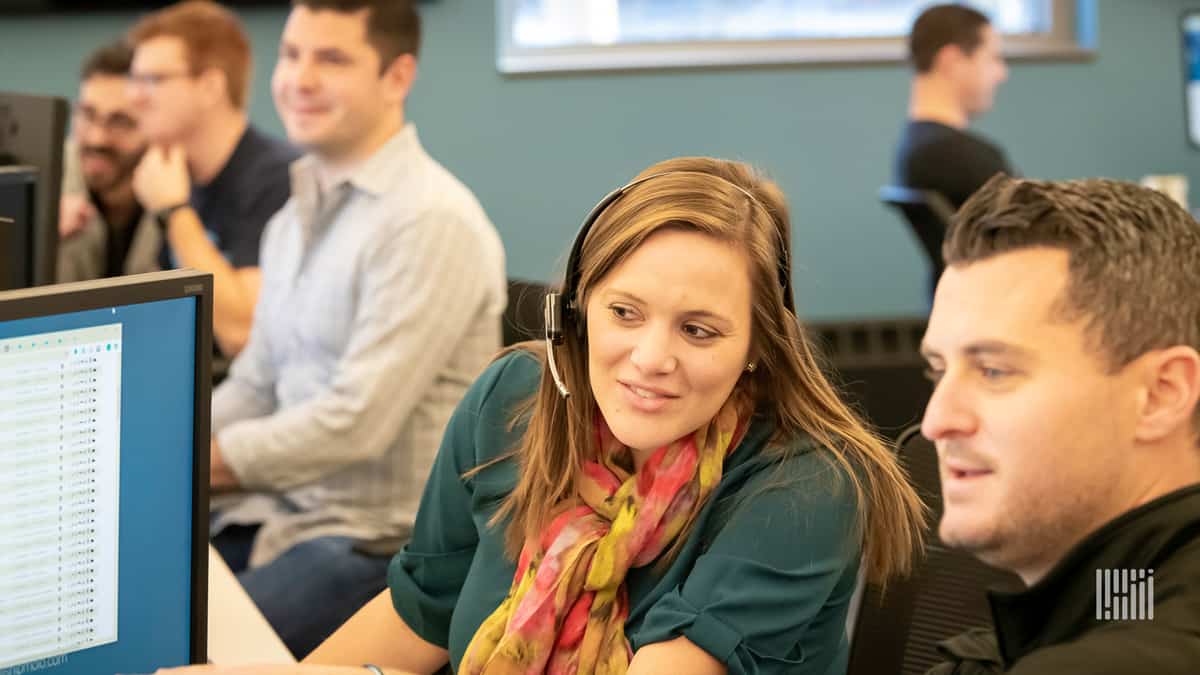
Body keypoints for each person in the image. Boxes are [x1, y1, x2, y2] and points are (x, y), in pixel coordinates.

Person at [162, 156, 926, 675]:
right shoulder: (512, 402)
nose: (650, 358)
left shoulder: (805, 485)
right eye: (625, 312)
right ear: (577, 310)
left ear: (758, 347)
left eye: (699, 329)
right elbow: (419, 612)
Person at [205, 0, 506, 659]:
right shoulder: (293, 219)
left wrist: (197, 461)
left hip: (378, 547)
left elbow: (355, 421)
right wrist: (167, 445)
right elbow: (256, 380)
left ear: (397, 77)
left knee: (189, 645)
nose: (299, 79)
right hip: (281, 515)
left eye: (331, 58)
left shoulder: (429, 221)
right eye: (291, 54)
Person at [920, 175, 1200, 673]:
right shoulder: (1131, 585)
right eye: (938, 371)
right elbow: (1119, 611)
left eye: (993, 371)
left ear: (1161, 395)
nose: (936, 421)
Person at [127, 0, 299, 357]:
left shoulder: (279, 180)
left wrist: (174, 212)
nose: (134, 97)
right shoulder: (175, 171)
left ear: (210, 87)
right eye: (135, 79)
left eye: (152, 80)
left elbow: (242, 333)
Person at [894, 3, 1013, 209]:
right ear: (952, 60)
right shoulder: (963, 158)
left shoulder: (915, 147)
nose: (1002, 74)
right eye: (993, 59)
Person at [57, 41, 158, 283]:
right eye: (88, 115)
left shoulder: (185, 197)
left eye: (120, 121)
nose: (97, 138)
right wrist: (37, 240)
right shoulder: (44, 185)